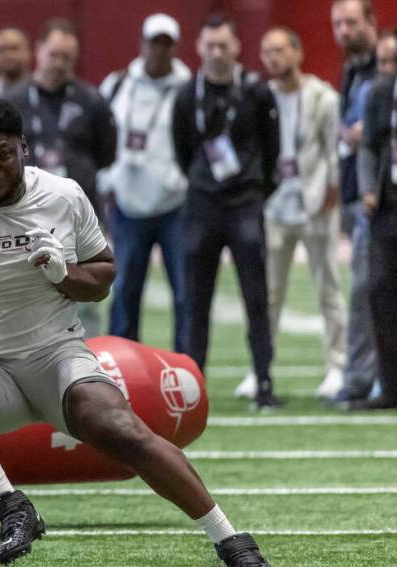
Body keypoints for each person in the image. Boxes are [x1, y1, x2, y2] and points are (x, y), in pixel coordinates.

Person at [0, 98, 274, 567]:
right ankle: (10, 503)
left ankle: (231, 541)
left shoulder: (62, 195)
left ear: (24, 148)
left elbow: (104, 275)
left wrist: (65, 274)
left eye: (1, 156)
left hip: (56, 356)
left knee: (126, 432)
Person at [172, 14, 281, 411]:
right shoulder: (187, 95)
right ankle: (191, 386)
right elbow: (182, 150)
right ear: (200, 47)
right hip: (202, 206)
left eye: (224, 45)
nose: (217, 53)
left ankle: (264, 382)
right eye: (210, 46)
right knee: (195, 300)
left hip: (245, 205)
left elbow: (273, 151)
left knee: (256, 298)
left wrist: (255, 189)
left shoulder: (256, 92)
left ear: (237, 47)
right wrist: (203, 182)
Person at [235, 27, 347, 401]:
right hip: (274, 205)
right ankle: (261, 370)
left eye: (280, 50)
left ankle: (337, 366)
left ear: (297, 53)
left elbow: (334, 147)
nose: (272, 58)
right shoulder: (258, 97)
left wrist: (332, 186)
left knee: (328, 287)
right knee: (268, 294)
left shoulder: (322, 97)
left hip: (315, 202)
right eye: (266, 52)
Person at [9, 18, 116, 337]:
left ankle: (91, 366)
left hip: (78, 214)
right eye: (53, 55)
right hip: (24, 214)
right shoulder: (13, 101)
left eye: (67, 58)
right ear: (38, 51)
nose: (59, 64)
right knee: (22, 294)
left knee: (85, 297)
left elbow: (106, 155)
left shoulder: (91, 101)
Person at [99, 13, 190, 353]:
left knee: (184, 292)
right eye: (155, 42)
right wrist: (109, 181)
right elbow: (103, 136)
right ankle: (121, 365)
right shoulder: (118, 85)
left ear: (175, 48)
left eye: (167, 44)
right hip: (128, 204)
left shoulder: (188, 88)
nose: (160, 50)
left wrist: (182, 181)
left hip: (175, 205)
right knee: (124, 292)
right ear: (142, 44)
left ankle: (187, 366)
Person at [331, 0, 379, 403]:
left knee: (365, 290)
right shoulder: (351, 70)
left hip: (378, 198)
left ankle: (361, 378)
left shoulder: (382, 69)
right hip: (355, 194)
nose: (344, 30)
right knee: (367, 289)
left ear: (371, 23)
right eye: (338, 23)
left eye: (351, 21)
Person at [352, 27, 397, 409]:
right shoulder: (380, 94)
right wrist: (369, 189)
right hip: (388, 206)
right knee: (380, 294)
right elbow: (368, 146)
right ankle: (389, 387)